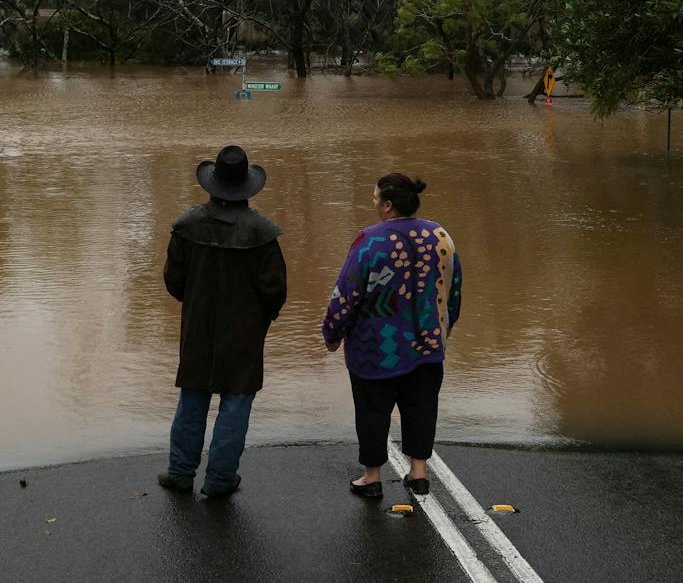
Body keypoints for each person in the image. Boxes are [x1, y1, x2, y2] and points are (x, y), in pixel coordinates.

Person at [321, 173, 463, 498]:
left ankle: (371, 478)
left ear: (387, 205)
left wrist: (332, 332)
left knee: (372, 411)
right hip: (428, 345)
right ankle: (419, 472)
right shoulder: (440, 236)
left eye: (375, 199)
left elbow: (346, 293)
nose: (373, 204)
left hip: (377, 348)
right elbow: (452, 289)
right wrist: (444, 331)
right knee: (422, 407)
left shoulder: (369, 241)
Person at [159, 145, 287, 498]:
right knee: (236, 402)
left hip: (198, 326)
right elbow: (275, 290)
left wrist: (197, 303)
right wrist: (262, 319)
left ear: (213, 184)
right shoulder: (262, 234)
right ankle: (218, 481)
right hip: (245, 331)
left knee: (193, 397)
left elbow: (174, 281)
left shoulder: (186, 227)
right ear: (247, 187)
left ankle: (181, 472)